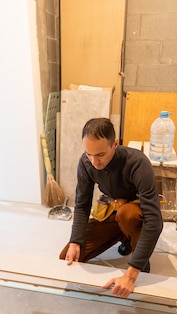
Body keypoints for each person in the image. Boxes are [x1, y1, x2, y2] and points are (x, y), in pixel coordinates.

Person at [59, 117, 163, 298]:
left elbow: (154, 221)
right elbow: (82, 204)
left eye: (100, 155)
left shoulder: (137, 163)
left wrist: (131, 275)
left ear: (115, 144)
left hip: (134, 213)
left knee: (127, 214)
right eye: (88, 154)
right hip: (113, 212)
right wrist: (76, 241)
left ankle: (140, 258)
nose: (94, 162)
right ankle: (125, 239)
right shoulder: (86, 163)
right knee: (66, 258)